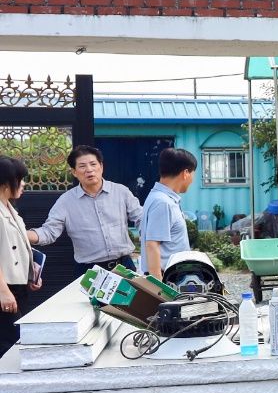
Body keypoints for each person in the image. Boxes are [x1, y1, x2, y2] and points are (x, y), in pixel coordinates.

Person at [27, 145, 142, 279]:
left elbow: (141, 218)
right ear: (74, 172)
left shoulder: (121, 192)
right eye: (82, 166)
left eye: (93, 164)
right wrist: (21, 235)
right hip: (90, 272)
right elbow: (49, 232)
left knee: (132, 300)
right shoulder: (65, 201)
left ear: (101, 167)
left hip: (124, 267)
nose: (89, 170)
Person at [1, 157, 40, 356]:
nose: (23, 183)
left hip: (19, 286)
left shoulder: (10, 207)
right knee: (8, 342)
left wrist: (32, 272)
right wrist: (4, 292)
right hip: (5, 288)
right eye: (20, 178)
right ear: (6, 182)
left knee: (18, 339)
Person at [140, 148, 196, 282]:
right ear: (186, 173)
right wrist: (159, 287)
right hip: (167, 278)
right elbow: (152, 244)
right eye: (193, 174)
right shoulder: (163, 202)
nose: (192, 180)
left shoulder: (162, 198)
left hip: (171, 276)